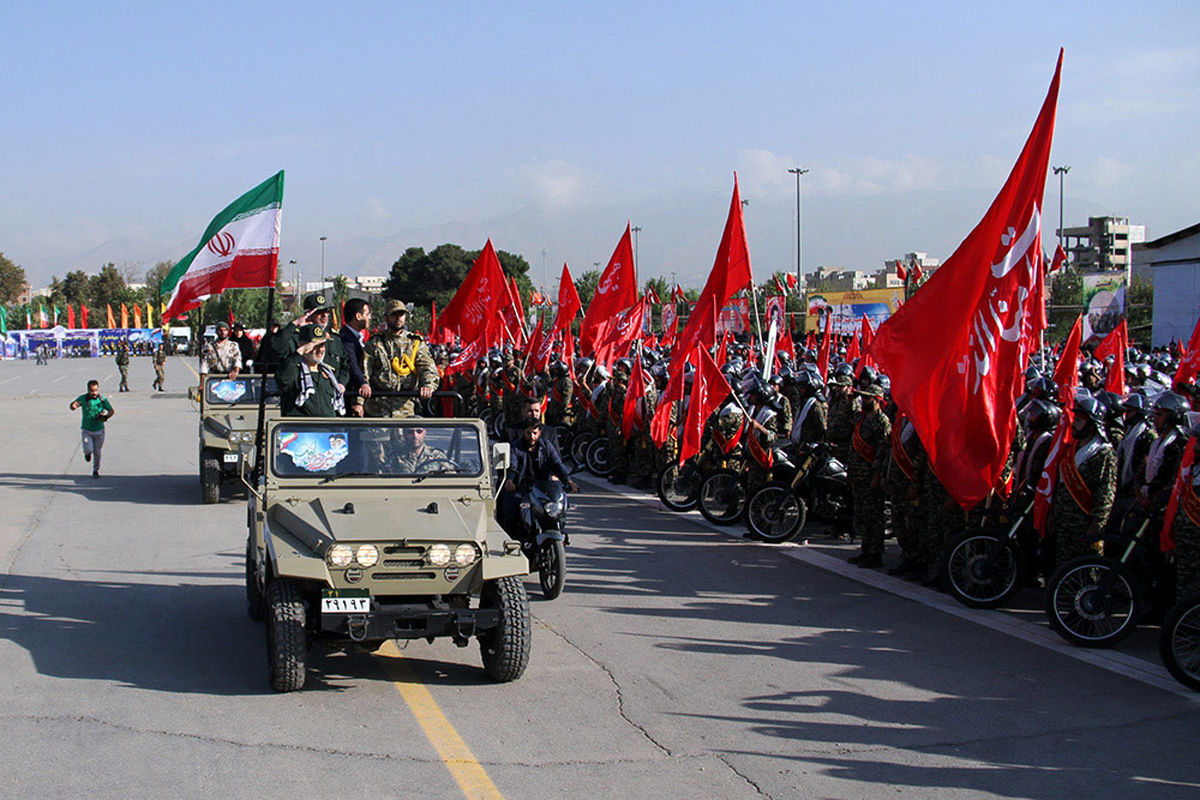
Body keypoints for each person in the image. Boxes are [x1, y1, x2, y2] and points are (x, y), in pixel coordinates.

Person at [498, 419, 577, 537]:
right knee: (511, 507)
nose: (532, 436)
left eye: (534, 433)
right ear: (524, 433)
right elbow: (512, 466)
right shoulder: (515, 447)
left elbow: (557, 464)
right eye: (528, 433)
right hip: (522, 489)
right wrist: (510, 480)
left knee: (560, 505)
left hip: (542, 488)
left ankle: (560, 530)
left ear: (540, 432)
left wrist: (569, 481)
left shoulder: (546, 447)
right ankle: (512, 540)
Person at [363, 299, 438, 417]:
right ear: (386, 318)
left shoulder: (414, 343)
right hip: (378, 407)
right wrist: (359, 399)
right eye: (394, 315)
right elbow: (364, 371)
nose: (398, 318)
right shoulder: (375, 343)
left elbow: (427, 367)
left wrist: (427, 385)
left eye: (401, 314)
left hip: (405, 408)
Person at [276, 326, 345, 417]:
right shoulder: (294, 369)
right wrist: (300, 352)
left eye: (322, 345)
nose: (320, 350)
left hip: (328, 428)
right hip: (302, 428)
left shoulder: (328, 372)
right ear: (303, 346)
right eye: (315, 346)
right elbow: (283, 381)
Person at [70, 380, 114, 478]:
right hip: (87, 430)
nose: (94, 393)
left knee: (97, 452)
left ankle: (95, 470)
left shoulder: (102, 400)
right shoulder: (83, 398)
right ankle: (87, 454)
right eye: (91, 391)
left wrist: (106, 417)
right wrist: (73, 406)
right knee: (88, 448)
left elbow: (111, 410)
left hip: (99, 430)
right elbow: (74, 404)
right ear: (88, 390)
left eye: (96, 390)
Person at [339, 297, 372, 416]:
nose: (369, 318)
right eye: (367, 314)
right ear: (358, 316)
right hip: (349, 396)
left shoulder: (355, 338)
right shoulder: (346, 339)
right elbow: (352, 364)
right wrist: (362, 383)